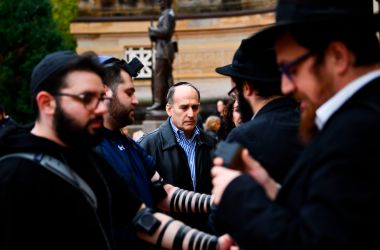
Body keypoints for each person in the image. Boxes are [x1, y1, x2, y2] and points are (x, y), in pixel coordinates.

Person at [0, 50, 232, 250]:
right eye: (87, 98)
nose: (101, 108)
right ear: (47, 103)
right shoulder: (12, 174)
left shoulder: (90, 160)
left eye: (101, 98)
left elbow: (142, 218)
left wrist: (213, 244)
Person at [211, 0, 380, 249]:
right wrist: (269, 189)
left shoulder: (359, 128)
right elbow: (331, 222)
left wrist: (237, 192)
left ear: (337, 57)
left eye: (291, 69)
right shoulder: (354, 118)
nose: (287, 87)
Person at [96, 56, 221, 249]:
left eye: (194, 107)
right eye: (129, 93)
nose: (136, 101)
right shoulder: (88, 151)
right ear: (105, 92)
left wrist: (217, 204)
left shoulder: (131, 146)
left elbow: (164, 194)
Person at [215, 38, 303, 184]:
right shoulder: (311, 124)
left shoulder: (242, 137)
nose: (235, 101)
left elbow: (225, 201)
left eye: (235, 94)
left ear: (247, 88)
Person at [138, 82, 216, 230]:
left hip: (206, 233)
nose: (191, 114)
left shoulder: (211, 143)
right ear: (169, 109)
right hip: (168, 233)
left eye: (195, 107)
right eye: (184, 107)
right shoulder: (148, 145)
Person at [146, 0, 176, 111]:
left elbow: (166, 31)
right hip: (162, 49)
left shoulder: (168, 14)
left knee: (159, 76)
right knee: (165, 77)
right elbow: (161, 34)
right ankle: (167, 100)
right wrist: (153, 34)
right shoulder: (165, 14)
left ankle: (158, 101)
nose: (159, 3)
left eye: (161, 1)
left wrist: (153, 30)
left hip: (164, 51)